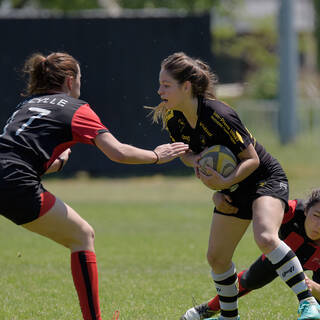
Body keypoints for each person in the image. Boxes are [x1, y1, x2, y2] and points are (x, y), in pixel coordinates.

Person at [0, 52, 189, 320]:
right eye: (80, 78)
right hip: (15, 181)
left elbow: (18, 154)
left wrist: (58, 163)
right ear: (69, 80)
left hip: (8, 173)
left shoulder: (27, 105)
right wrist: (157, 156)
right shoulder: (76, 108)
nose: (80, 84)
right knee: (82, 236)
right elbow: (119, 152)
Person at [150, 52, 320, 320]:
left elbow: (251, 160)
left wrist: (224, 183)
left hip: (264, 179)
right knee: (217, 257)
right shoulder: (174, 118)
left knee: (265, 237)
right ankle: (230, 317)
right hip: (233, 188)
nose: (159, 90)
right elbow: (186, 153)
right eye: (159, 84)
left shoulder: (220, 114)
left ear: (186, 86)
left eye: (165, 84)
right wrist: (199, 164)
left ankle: (308, 302)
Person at [181, 189, 320, 319]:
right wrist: (220, 195)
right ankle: (207, 309)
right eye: (316, 215)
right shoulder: (292, 211)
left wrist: (312, 286)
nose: (319, 225)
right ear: (306, 210)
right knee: (249, 280)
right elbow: (257, 206)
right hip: (280, 256)